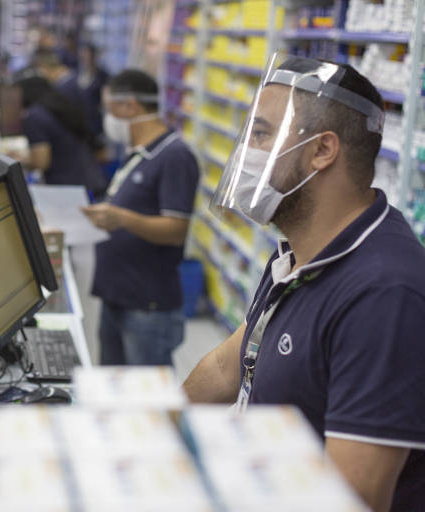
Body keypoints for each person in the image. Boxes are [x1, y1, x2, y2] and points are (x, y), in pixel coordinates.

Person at [182, 56, 425, 512]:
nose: (246, 151)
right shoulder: (297, 252)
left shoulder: (385, 293)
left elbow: (355, 498)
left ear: (322, 151)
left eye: (261, 134)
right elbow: (227, 367)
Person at [82, 69, 199, 366]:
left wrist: (121, 218)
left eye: (109, 109)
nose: (107, 118)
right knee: (114, 391)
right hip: (117, 295)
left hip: (148, 305)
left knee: (148, 400)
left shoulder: (174, 156)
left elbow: (176, 229)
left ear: (130, 106)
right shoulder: (136, 153)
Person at [16, 74, 106, 196]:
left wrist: (18, 160)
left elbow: (42, 162)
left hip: (67, 189)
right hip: (90, 179)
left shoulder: (34, 116)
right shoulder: (61, 106)